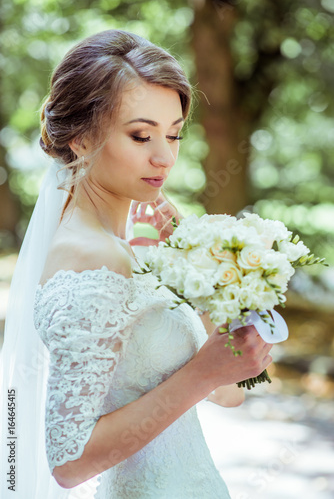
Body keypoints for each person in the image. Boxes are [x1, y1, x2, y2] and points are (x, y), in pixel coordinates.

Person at [0, 29, 273, 499]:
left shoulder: (133, 246)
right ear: (82, 138)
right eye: (141, 135)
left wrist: (201, 265)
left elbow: (230, 392)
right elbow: (68, 462)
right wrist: (203, 373)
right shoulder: (91, 256)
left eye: (173, 134)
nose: (164, 156)